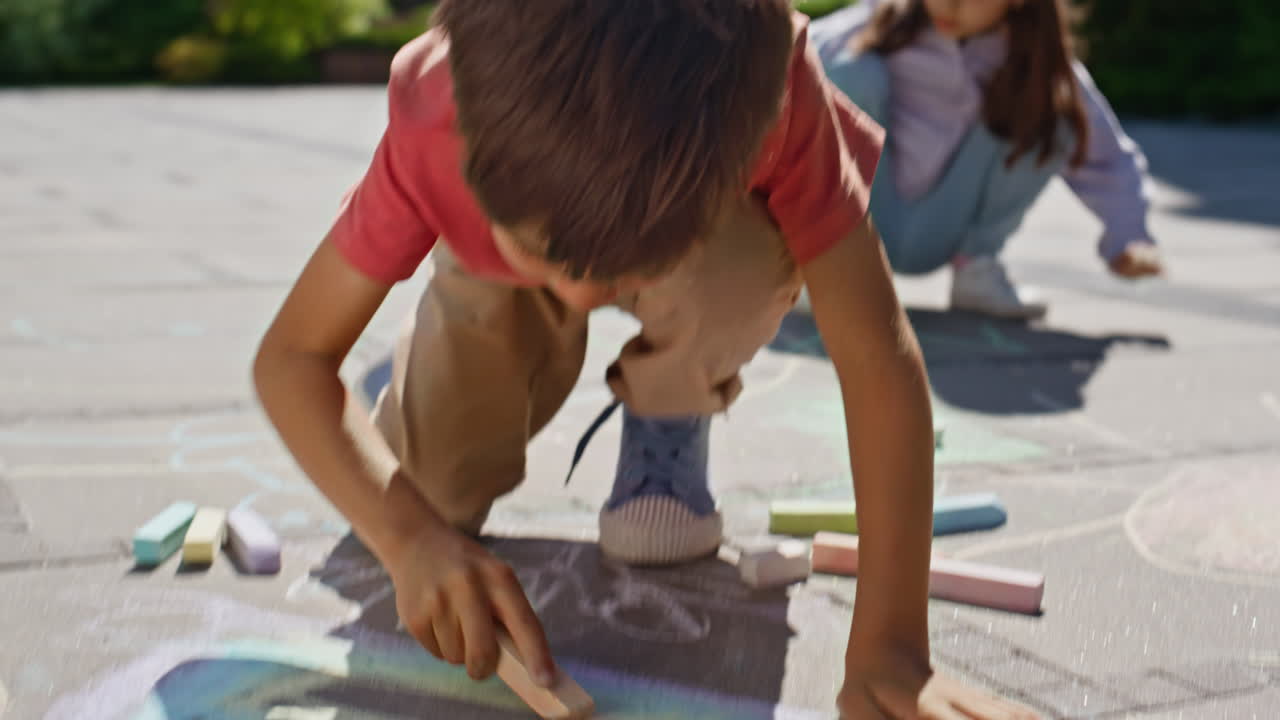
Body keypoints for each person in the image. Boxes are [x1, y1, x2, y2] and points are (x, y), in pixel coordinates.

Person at [253, 1, 1037, 717]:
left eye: (617, 275)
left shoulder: (773, 90)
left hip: (691, 242)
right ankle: (437, 363)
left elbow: (876, 354)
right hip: (487, 272)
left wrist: (892, 647)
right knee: (429, 495)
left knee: (734, 265)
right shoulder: (436, 106)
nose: (588, 299)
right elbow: (292, 356)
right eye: (546, 253)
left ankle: (670, 409)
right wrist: (408, 538)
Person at [807, 0, 1164, 320]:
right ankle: (819, 265)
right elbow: (790, 56)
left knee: (1054, 109)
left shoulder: (1033, 58)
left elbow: (1105, 152)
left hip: (946, 224)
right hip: (861, 218)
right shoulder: (881, 21)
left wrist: (1129, 233)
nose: (950, 5)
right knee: (851, 72)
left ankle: (976, 268)